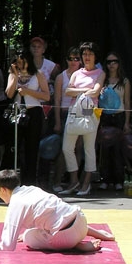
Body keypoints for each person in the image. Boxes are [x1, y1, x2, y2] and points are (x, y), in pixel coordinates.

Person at [0, 169, 115, 252]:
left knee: (29, 236)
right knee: (55, 219)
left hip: (66, 236)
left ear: (3, 189)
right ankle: (96, 234)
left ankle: (78, 246)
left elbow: (8, 246)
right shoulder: (32, 189)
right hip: (81, 220)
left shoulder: (16, 203)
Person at [59, 42, 105, 196]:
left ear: (95, 56)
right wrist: (86, 90)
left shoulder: (100, 73)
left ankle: (86, 183)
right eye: (84, 54)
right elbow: (68, 91)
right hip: (74, 111)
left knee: (88, 148)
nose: (87, 57)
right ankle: (74, 180)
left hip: (90, 111)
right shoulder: (76, 73)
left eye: (90, 54)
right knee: (67, 147)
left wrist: (80, 92)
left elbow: (96, 92)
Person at [2, 49, 50, 185]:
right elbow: (9, 94)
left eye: (23, 61)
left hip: (33, 111)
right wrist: (16, 76)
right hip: (17, 112)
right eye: (18, 62)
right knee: (14, 146)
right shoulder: (13, 74)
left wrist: (28, 91)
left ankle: (30, 181)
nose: (21, 64)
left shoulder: (38, 74)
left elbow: (46, 95)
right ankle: (11, 180)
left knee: (31, 148)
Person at [50, 47, 82, 192]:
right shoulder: (61, 77)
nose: (73, 62)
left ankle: (74, 181)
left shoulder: (85, 75)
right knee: (64, 150)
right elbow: (56, 100)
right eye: (70, 58)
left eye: (76, 59)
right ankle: (57, 180)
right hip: (65, 114)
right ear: (66, 60)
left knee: (79, 149)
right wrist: (57, 121)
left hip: (81, 114)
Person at [97, 51, 130, 191]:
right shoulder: (102, 80)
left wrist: (127, 122)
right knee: (104, 149)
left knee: (118, 149)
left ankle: (118, 180)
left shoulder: (125, 81)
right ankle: (105, 179)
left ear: (119, 63)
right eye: (109, 62)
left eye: (114, 61)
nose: (112, 64)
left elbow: (127, 102)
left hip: (119, 116)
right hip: (104, 116)